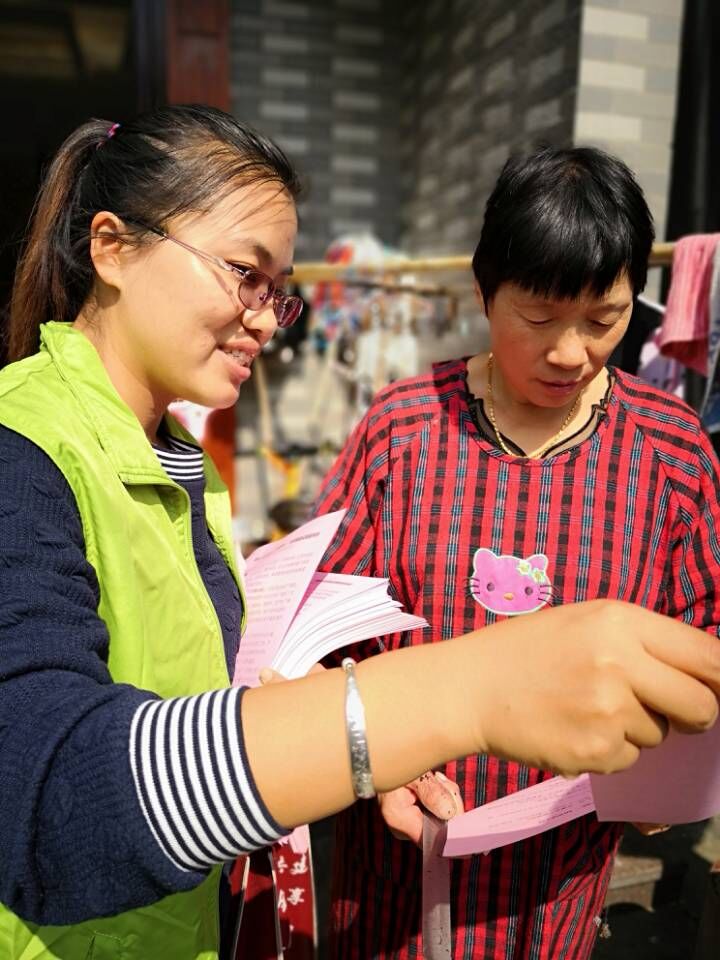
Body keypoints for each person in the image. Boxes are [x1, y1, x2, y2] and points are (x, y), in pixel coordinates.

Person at [0, 110, 718, 960]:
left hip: (534, 878)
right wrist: (455, 702)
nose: (268, 321)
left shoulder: (176, 461)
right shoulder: (26, 451)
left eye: (277, 288)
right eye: (244, 275)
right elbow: (49, 793)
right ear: (111, 247)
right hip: (364, 885)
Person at [315, 145, 720, 960]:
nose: (570, 351)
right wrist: (374, 770)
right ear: (482, 291)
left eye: (603, 318)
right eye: (538, 319)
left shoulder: (673, 452)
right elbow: (315, 633)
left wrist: (667, 776)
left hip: (558, 882)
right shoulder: (401, 429)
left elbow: (704, 639)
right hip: (395, 875)